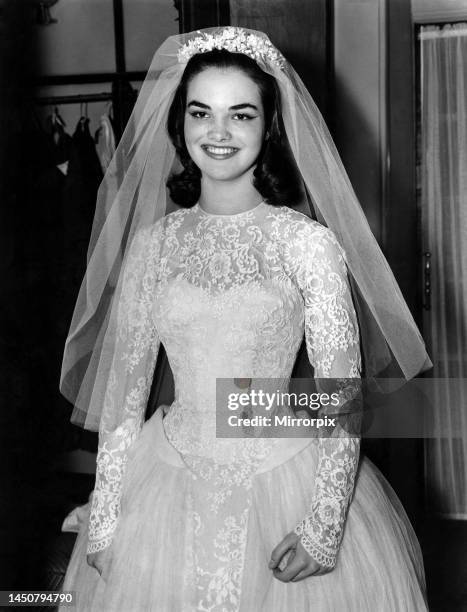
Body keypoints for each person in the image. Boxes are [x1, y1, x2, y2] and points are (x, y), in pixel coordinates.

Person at [59, 27, 431, 611]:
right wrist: (105, 513)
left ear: (268, 126)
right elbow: (124, 397)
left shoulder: (306, 244)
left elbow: (340, 397)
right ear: (180, 123)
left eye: (242, 114)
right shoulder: (152, 247)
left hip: (281, 475)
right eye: (201, 111)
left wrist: (325, 527)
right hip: (166, 477)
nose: (219, 131)